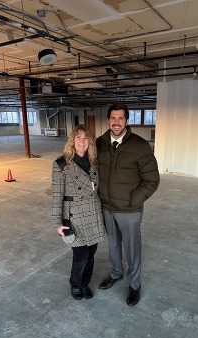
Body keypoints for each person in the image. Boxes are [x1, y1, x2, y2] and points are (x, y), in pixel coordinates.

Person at [96, 103, 160, 306]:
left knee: (132, 249)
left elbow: (152, 180)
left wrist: (134, 200)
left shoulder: (140, 145)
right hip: (107, 206)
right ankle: (115, 273)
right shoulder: (99, 143)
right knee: (113, 245)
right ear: (108, 120)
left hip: (129, 210)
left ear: (127, 120)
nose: (116, 122)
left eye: (120, 118)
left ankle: (134, 285)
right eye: (113, 118)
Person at [51, 124, 106, 300]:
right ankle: (75, 284)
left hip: (93, 215)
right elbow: (57, 196)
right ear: (72, 141)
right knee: (81, 256)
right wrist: (57, 223)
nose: (82, 141)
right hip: (75, 218)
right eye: (78, 137)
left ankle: (85, 284)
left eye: (85, 138)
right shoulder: (61, 164)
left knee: (91, 255)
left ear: (90, 141)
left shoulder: (94, 163)